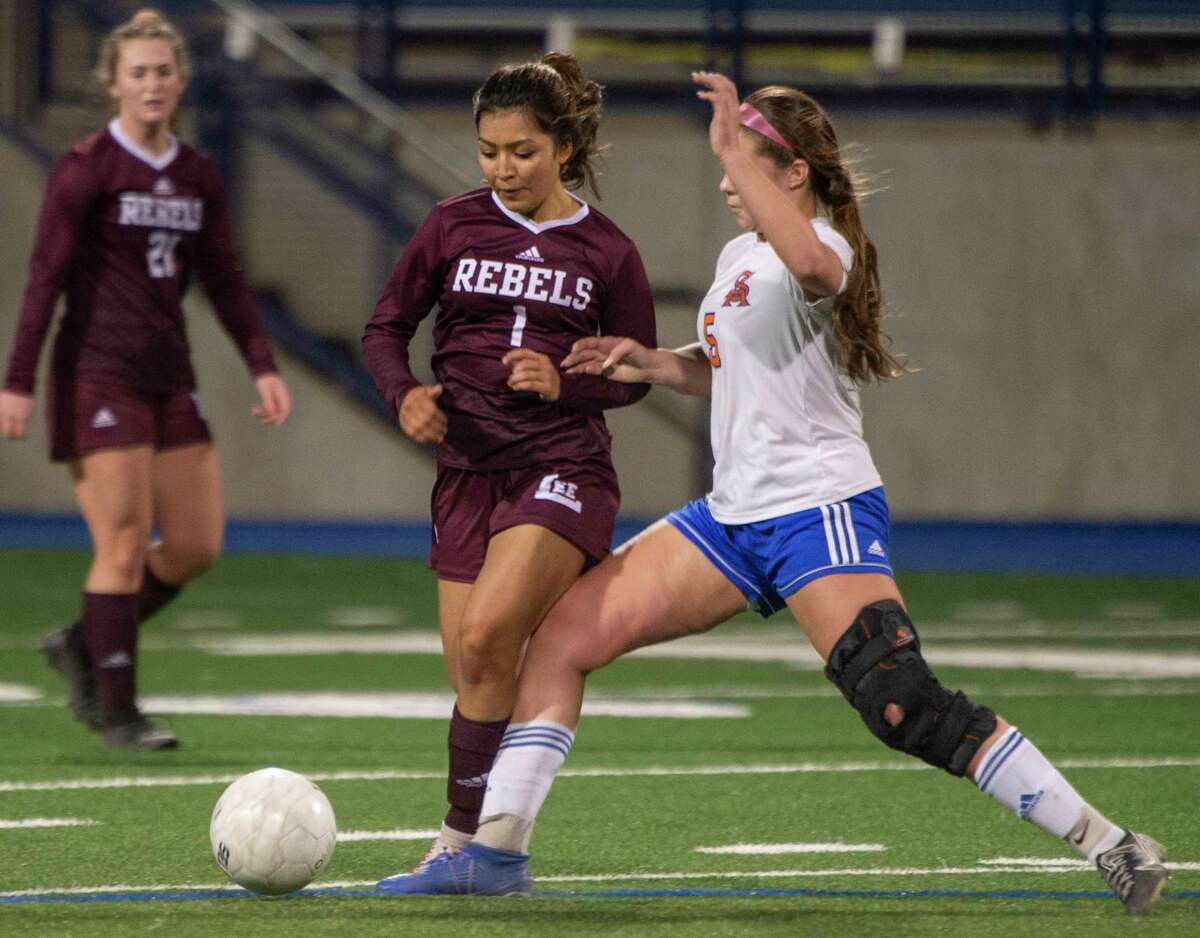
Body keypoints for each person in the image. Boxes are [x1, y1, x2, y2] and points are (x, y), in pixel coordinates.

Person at [376, 71, 1169, 916]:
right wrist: (649, 362)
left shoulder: (824, 246)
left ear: (791, 174)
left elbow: (813, 266)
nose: (725, 182)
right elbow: (725, 368)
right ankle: (496, 850)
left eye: (744, 166)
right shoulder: (738, 257)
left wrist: (732, 146)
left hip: (815, 509)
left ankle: (1110, 842)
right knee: (560, 640)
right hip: (731, 517)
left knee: (897, 699)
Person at [362, 53, 657, 869]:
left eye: (522, 151)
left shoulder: (607, 251)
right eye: (489, 151)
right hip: (465, 472)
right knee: (475, 665)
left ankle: (459, 844)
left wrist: (564, 383)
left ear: (562, 145)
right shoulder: (450, 225)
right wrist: (405, 395)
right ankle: (491, 843)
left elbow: (634, 375)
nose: (504, 168)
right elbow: (384, 329)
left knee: (492, 632)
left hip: (562, 465)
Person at [0, 9, 292, 750]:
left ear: (181, 82)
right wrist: (18, 380)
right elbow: (45, 280)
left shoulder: (195, 175)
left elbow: (224, 280)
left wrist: (261, 363)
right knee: (124, 541)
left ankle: (79, 642)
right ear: (113, 85)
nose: (154, 83)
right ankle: (119, 708)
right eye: (139, 72)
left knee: (194, 547)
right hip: (98, 373)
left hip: (170, 376)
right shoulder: (87, 167)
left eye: (165, 71)